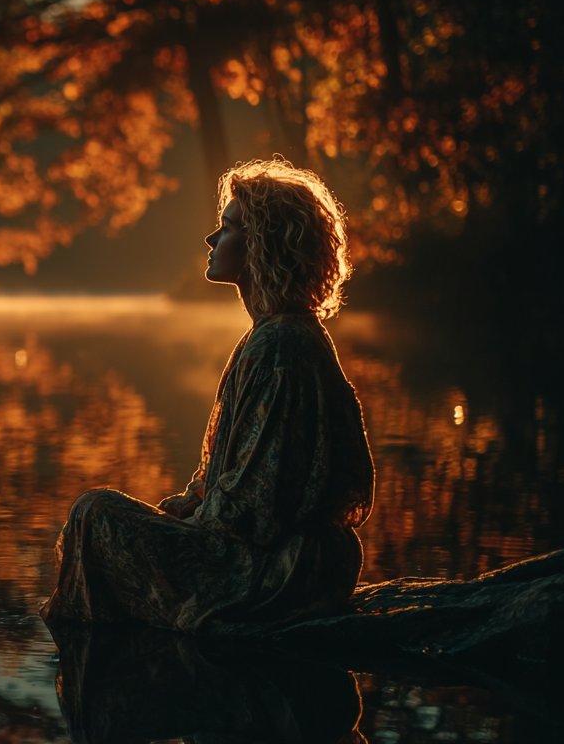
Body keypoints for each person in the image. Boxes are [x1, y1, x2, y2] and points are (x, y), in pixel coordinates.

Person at [40, 157, 375, 632]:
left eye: (228, 227)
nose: (211, 239)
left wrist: (184, 528)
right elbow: (225, 484)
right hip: (272, 559)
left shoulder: (282, 345)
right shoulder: (273, 336)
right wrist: (180, 510)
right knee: (104, 514)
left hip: (274, 575)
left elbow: (257, 506)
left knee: (95, 514)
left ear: (265, 244)